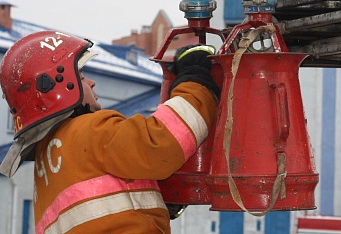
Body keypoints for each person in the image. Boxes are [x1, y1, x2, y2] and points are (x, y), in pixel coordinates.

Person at [0, 30, 220, 233]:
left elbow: (102, 204)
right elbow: (164, 142)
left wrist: (155, 197)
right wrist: (194, 80)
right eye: (83, 76)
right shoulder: (89, 130)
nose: (92, 83)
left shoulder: (48, 164)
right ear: (55, 84)